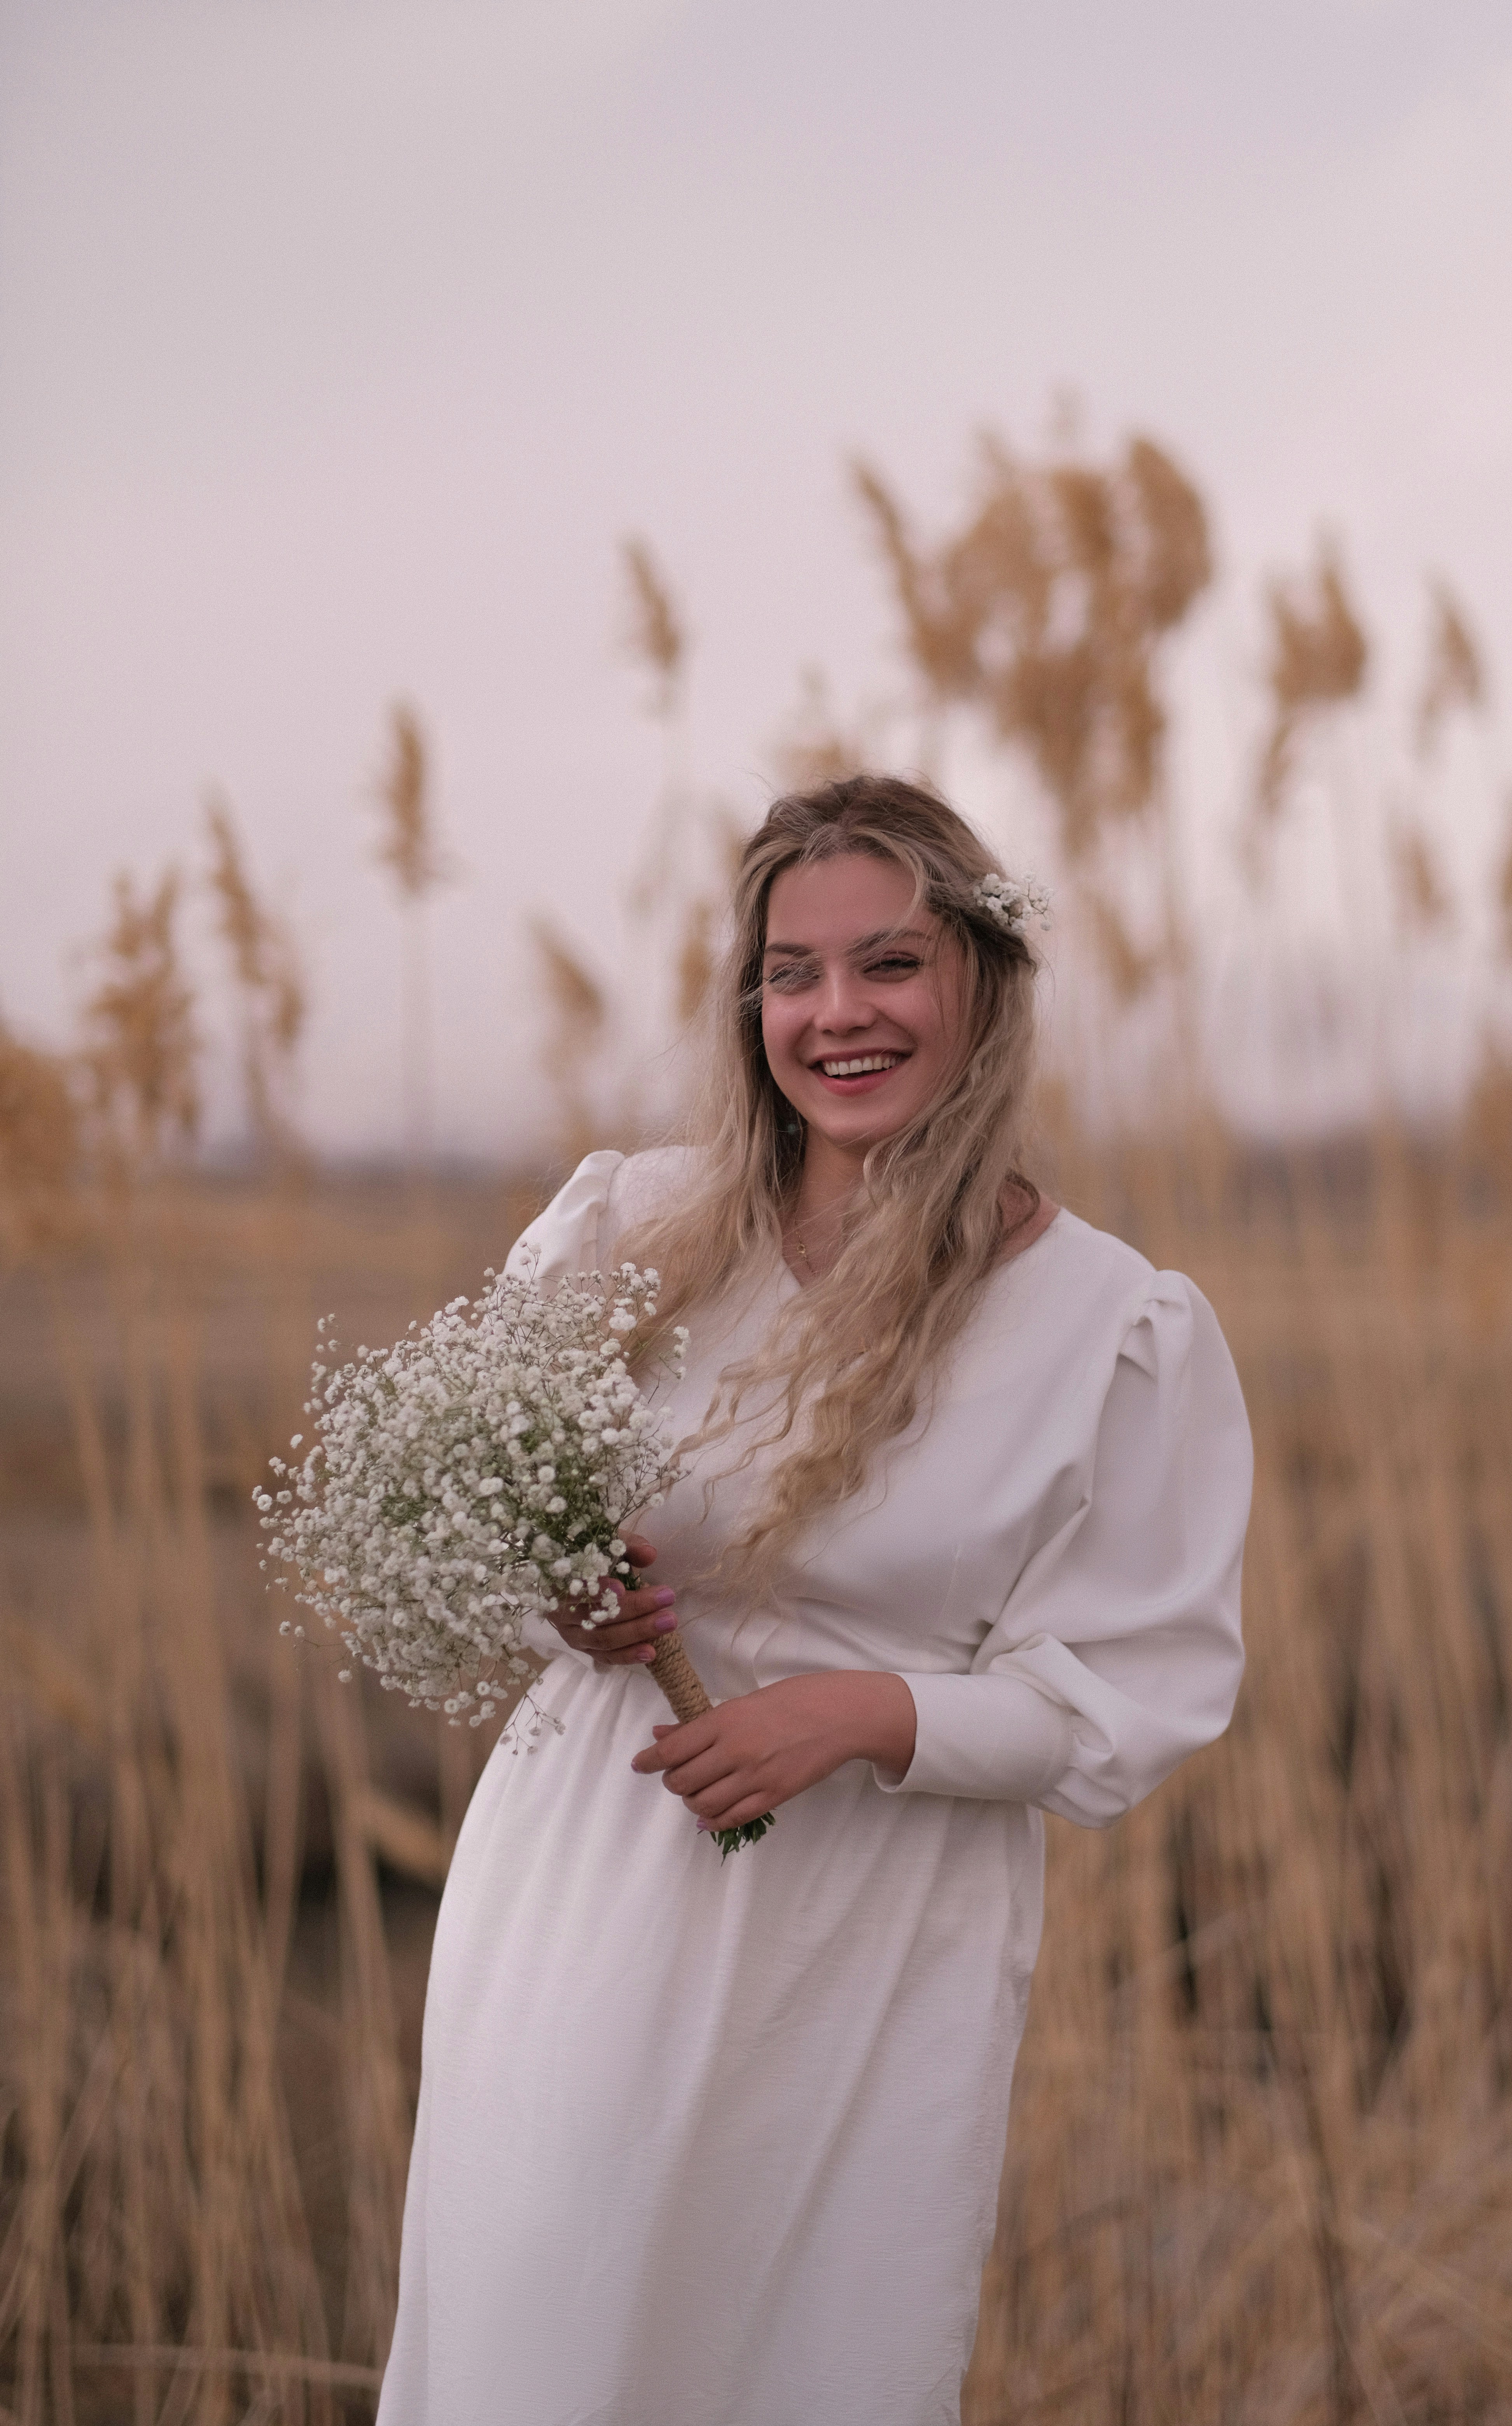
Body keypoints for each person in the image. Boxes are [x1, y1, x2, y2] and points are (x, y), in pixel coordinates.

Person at [377, 774, 1252, 2426]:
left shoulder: (1108, 1324)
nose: (835, 1013)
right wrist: (555, 1597)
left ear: (984, 986)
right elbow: (458, 1515)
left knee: (797, 2355)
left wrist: (864, 1715)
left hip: (870, 1925)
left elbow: (1142, 1689)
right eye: (791, 971)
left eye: (890, 965)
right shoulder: (629, 1233)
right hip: (591, 1868)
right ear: (747, 1003)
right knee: (543, 2332)